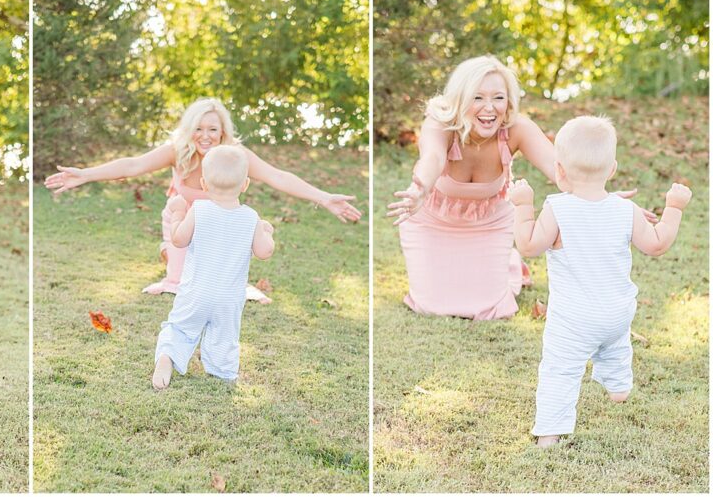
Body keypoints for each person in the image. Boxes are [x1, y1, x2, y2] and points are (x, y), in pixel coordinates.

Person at [386, 55, 653, 320]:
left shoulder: (517, 128)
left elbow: (558, 169)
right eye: (477, 98)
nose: (489, 108)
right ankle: (509, 265)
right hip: (433, 221)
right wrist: (420, 189)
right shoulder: (440, 124)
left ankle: (509, 266)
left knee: (489, 309)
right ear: (460, 98)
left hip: (489, 222)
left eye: (498, 98)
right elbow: (431, 158)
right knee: (430, 306)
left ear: (509, 101)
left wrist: (600, 198)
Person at [45, 97, 360, 303]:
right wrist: (85, 175)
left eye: (213, 129)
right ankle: (173, 257)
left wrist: (323, 198)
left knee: (217, 286)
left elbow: (278, 176)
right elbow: (132, 165)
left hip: (219, 228)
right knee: (182, 277)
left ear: (223, 132)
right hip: (183, 225)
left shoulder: (236, 156)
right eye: (199, 128)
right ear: (189, 129)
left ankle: (188, 261)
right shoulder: (177, 152)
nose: (206, 136)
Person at [509, 116, 691, 447]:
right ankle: (619, 387)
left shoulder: (556, 209)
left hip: (574, 320)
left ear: (559, 171)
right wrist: (674, 208)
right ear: (612, 170)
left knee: (560, 371)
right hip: (618, 313)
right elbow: (657, 244)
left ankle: (550, 432)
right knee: (615, 345)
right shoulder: (626, 209)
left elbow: (528, 245)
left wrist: (522, 205)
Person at [151, 146, 275, 389]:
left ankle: (167, 357)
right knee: (225, 337)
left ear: (204, 184)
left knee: (180, 327)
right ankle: (223, 372)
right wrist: (267, 232)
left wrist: (177, 212)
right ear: (245, 184)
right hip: (228, 298)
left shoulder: (199, 209)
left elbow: (178, 239)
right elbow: (264, 252)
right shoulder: (251, 217)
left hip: (195, 293)